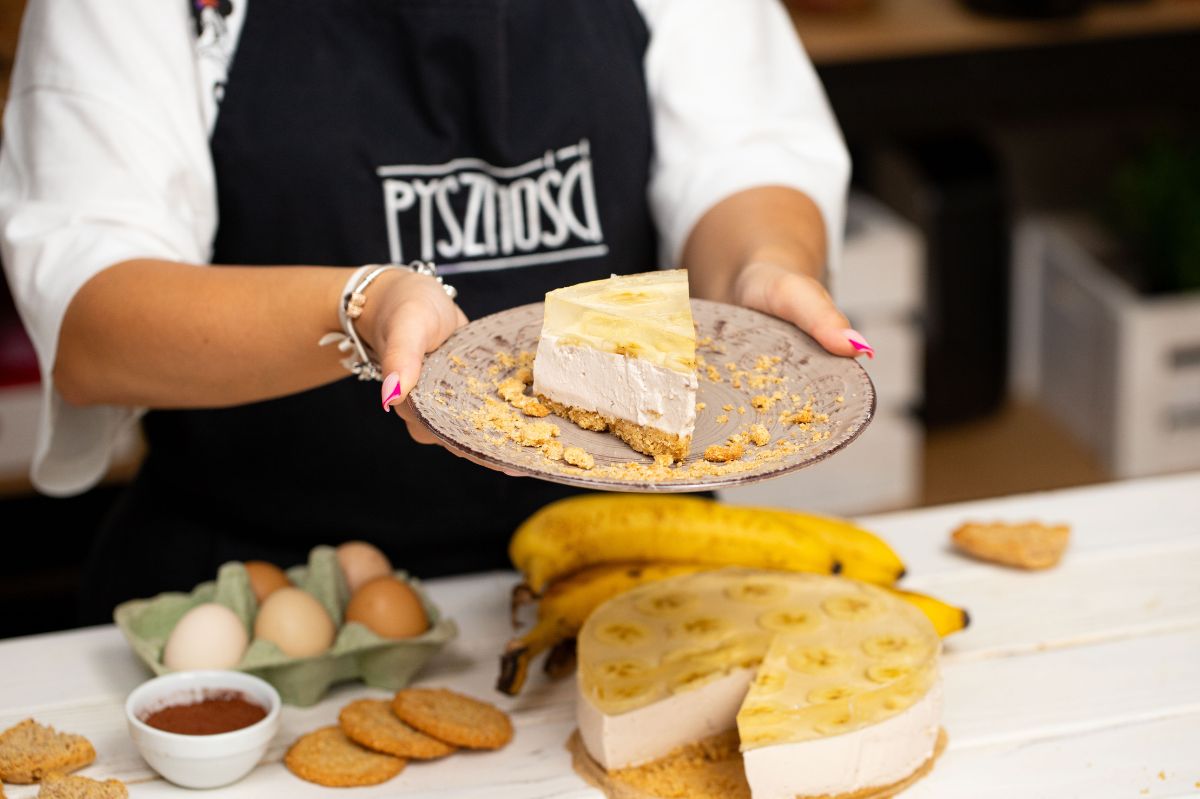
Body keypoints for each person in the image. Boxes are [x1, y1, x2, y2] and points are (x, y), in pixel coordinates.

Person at [0, 0, 864, 622]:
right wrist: (365, 309)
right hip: (272, 589)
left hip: (625, 567)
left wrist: (762, 265)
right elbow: (93, 318)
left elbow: (741, 155)